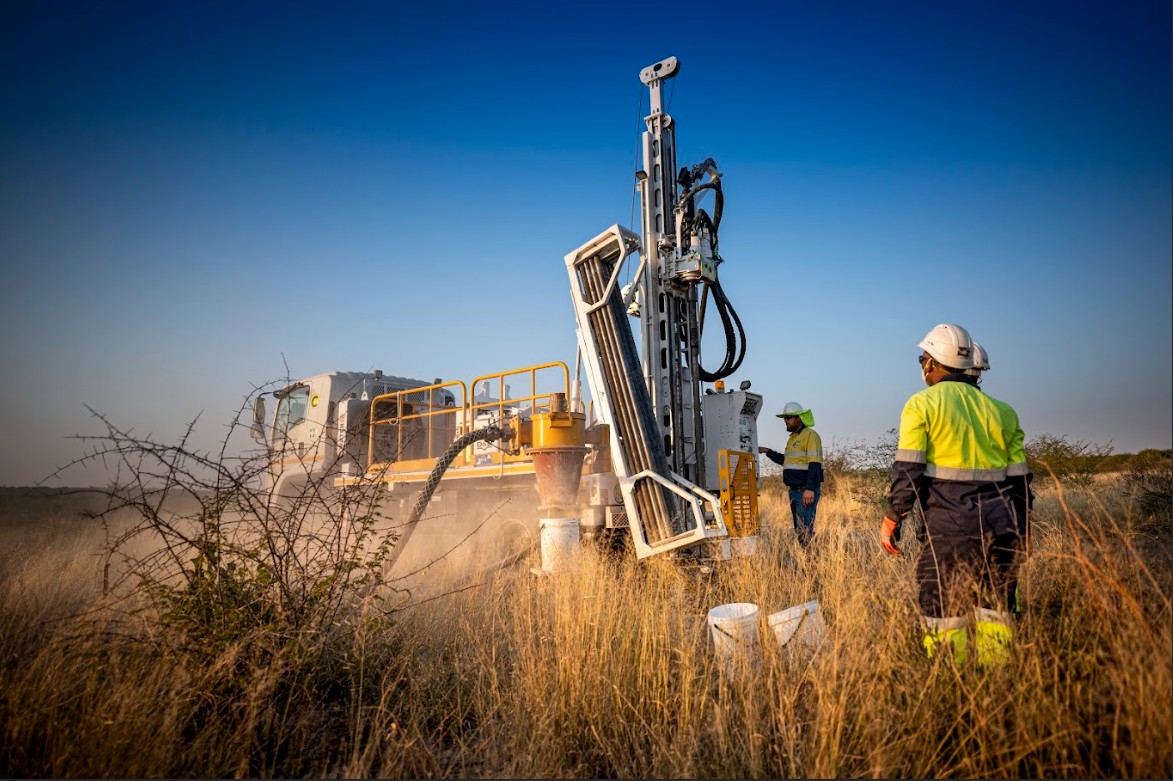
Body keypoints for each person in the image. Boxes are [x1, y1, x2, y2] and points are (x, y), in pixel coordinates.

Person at [880, 323, 1030, 667]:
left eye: (923, 359)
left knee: (942, 604)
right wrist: (1024, 529)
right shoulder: (1004, 412)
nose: (922, 366)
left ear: (932, 364)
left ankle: (951, 679)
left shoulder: (921, 405)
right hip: (1004, 524)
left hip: (949, 526)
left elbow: (909, 472)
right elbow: (1021, 483)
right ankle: (997, 676)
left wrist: (893, 517)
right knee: (997, 605)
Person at [759, 401, 824, 547]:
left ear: (799, 418)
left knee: (805, 529)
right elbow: (787, 461)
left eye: (789, 417)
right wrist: (767, 451)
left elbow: (815, 464)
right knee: (800, 529)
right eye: (784, 418)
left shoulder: (810, 436)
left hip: (804, 491)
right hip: (794, 491)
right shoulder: (793, 438)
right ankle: (807, 562)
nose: (786, 421)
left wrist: (809, 489)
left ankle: (810, 563)